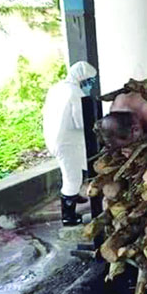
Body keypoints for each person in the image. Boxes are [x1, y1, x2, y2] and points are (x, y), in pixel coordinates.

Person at [42, 61, 98, 226]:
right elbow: (82, 122)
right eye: (89, 81)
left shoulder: (58, 88)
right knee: (72, 178)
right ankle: (68, 216)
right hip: (67, 142)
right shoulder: (76, 94)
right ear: (82, 78)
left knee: (77, 167)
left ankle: (72, 197)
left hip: (55, 137)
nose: (90, 85)